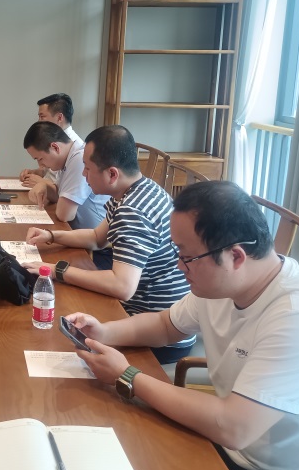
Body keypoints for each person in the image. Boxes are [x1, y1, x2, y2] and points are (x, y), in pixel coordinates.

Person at [66, 181, 299, 470]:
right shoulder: (223, 284)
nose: (179, 266)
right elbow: (166, 325)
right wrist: (104, 332)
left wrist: (127, 375)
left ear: (236, 256)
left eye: (187, 257)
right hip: (234, 448)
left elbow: (234, 427)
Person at [25, 125, 193, 363]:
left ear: (112, 174)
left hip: (157, 335)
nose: (84, 174)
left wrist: (58, 270)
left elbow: (122, 286)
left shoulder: (133, 210)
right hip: (146, 317)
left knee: (52, 330)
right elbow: (96, 238)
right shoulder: (137, 190)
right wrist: (52, 236)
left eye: (88, 168)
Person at [22, 121, 108, 229]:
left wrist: (46, 186)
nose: (40, 165)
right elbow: (59, 195)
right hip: (78, 231)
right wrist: (45, 186)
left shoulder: (79, 159)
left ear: (55, 147)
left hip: (95, 236)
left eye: (40, 159)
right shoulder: (66, 159)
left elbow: (65, 215)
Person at [19, 93, 84, 187]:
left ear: (59, 117)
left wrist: (42, 183)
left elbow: (63, 186)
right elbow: (52, 174)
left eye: (42, 117)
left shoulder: (76, 152)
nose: (38, 121)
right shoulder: (54, 140)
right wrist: (35, 173)